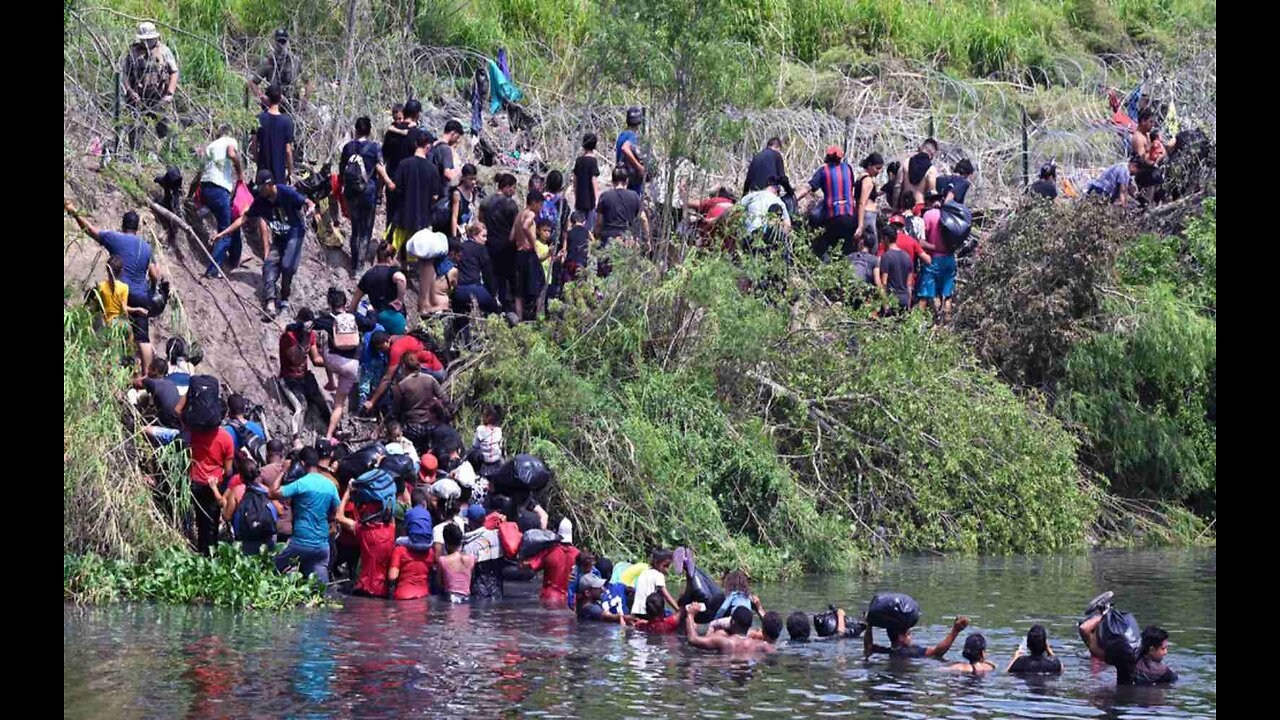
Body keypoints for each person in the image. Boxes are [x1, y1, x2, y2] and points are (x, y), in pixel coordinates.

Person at [65, 202, 162, 372]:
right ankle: (146, 375)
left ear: (122, 225)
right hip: (140, 294)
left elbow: (90, 230)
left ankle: (85, 341)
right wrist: (151, 287)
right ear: (137, 228)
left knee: (93, 303)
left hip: (117, 291)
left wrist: (74, 212)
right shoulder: (146, 247)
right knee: (143, 338)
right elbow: (155, 275)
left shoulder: (115, 238)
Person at [210, 169, 315, 318]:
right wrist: (222, 234)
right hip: (279, 239)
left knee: (287, 266)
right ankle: (270, 303)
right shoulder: (260, 202)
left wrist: (310, 206)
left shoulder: (285, 192)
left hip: (295, 234)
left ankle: (285, 297)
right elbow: (243, 219)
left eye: (261, 187)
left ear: (270, 185)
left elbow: (306, 200)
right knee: (268, 266)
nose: (259, 190)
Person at [269, 447, 341, 584]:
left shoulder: (301, 483)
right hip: (322, 545)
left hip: (300, 543)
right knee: (320, 590)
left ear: (302, 464)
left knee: (273, 568)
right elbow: (336, 512)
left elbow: (272, 493)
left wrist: (283, 471)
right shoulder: (330, 485)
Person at [339, 117, 395, 274]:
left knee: (355, 228)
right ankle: (359, 267)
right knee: (365, 231)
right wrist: (389, 183)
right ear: (369, 131)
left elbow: (342, 170)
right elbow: (380, 168)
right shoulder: (374, 148)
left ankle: (353, 262)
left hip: (351, 193)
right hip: (368, 192)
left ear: (355, 130)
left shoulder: (348, 147)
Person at [196, 125, 246, 278]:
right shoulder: (229, 140)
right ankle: (212, 270)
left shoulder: (211, 146)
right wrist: (240, 173)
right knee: (226, 232)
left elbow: (200, 171)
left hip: (206, 188)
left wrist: (193, 193)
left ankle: (234, 259)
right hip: (219, 189)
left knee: (232, 224)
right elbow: (231, 154)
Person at [313, 288, 362, 442]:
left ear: (330, 304)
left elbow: (311, 324)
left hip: (332, 361)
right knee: (339, 404)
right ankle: (329, 435)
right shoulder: (354, 318)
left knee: (324, 345)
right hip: (352, 365)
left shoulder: (327, 320)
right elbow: (371, 324)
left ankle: (331, 381)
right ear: (345, 304)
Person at [119, 22, 178, 149]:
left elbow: (174, 72)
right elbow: (124, 74)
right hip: (138, 98)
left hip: (159, 97)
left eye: (149, 39)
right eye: (144, 40)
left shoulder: (164, 51)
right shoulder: (132, 52)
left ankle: (170, 154)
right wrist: (130, 91)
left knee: (167, 129)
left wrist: (169, 94)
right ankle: (136, 156)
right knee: (135, 130)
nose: (147, 42)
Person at [335, 482, 397, 597]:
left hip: (364, 587)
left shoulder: (362, 530)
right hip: (383, 590)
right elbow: (391, 512)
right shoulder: (391, 530)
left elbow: (339, 516)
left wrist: (348, 491)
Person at [389, 129, 444, 261]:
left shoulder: (403, 164)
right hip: (422, 219)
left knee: (391, 249)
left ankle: (392, 273)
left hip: (402, 215)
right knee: (416, 255)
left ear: (415, 143)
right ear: (428, 146)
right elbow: (435, 197)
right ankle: (410, 277)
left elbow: (396, 189)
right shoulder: (432, 169)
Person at [1079, 613, 1178, 685]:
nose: (1166, 652)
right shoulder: (1162, 672)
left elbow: (1084, 628)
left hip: (1118, 699)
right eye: (1163, 648)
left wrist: (1105, 616)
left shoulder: (1124, 661)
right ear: (1151, 650)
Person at [795, 146, 857, 260]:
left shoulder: (824, 171)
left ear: (827, 158)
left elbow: (807, 188)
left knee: (824, 246)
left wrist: (793, 199)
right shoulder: (848, 169)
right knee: (846, 249)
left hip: (833, 217)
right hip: (851, 216)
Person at [188, 418, 237, 557]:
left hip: (196, 480)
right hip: (214, 483)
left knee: (200, 517)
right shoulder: (226, 438)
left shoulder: (196, 431)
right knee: (212, 522)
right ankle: (211, 554)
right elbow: (228, 471)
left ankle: (201, 548)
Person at [279, 309, 332, 436]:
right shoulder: (288, 337)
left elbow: (316, 360)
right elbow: (296, 360)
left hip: (305, 376)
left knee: (321, 401)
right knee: (301, 406)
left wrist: (331, 363)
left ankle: (335, 430)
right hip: (289, 378)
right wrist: (302, 338)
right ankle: (297, 438)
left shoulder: (311, 335)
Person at [220, 458, 281, 556]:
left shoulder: (236, 491)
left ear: (240, 475)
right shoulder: (265, 490)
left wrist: (223, 504)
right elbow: (280, 511)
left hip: (246, 539)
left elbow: (227, 516)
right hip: (267, 537)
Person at [479, 173, 521, 307]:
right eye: (513, 188)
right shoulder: (511, 205)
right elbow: (516, 226)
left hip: (490, 244)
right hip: (507, 246)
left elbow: (480, 220)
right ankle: (506, 304)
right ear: (507, 187)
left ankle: (491, 302)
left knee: (493, 276)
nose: (514, 191)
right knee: (507, 277)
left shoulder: (486, 201)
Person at [382, 100, 422, 236]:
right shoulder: (417, 135)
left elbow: (384, 157)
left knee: (391, 217)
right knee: (406, 221)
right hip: (409, 182)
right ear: (417, 114)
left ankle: (386, 249)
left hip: (392, 179)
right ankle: (402, 254)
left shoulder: (391, 132)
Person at [350, 243, 408, 335]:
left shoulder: (369, 274)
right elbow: (401, 279)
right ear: (390, 259)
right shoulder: (392, 271)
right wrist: (399, 300)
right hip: (394, 317)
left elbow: (355, 299)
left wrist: (352, 313)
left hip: (377, 318)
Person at [392, 352, 448, 448]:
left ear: (404, 367)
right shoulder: (430, 379)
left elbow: (396, 411)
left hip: (412, 427)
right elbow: (445, 399)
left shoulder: (401, 386)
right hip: (431, 424)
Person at [916, 193, 956, 322]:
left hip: (934, 261)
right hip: (950, 260)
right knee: (947, 295)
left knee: (924, 295)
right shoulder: (950, 214)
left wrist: (936, 248)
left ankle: (915, 326)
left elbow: (922, 242)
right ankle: (946, 328)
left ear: (929, 202)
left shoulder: (928, 215)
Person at [525, 518, 582, 605]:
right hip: (571, 598)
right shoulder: (578, 554)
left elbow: (529, 565)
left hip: (551, 598)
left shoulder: (550, 552)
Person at [595, 166, 648, 257]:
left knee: (605, 268)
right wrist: (647, 239)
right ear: (627, 181)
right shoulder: (634, 196)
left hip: (607, 239)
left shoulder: (605, 196)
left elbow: (599, 222)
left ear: (612, 181)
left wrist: (596, 237)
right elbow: (643, 219)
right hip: (626, 239)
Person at [249, 28, 306, 112]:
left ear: (287, 42)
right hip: (273, 106)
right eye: (279, 41)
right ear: (274, 41)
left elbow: (309, 83)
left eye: (283, 41)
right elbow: (252, 82)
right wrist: (262, 97)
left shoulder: (295, 61)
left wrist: (304, 102)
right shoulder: (268, 62)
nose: (281, 45)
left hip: (291, 106)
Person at [864, 615, 970, 660]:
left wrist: (869, 625)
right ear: (901, 637)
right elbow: (937, 652)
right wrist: (955, 631)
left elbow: (868, 646)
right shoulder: (912, 652)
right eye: (909, 634)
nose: (911, 636)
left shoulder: (885, 652)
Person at [685, 603, 776, 655]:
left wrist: (690, 615)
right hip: (747, 669)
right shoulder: (760, 645)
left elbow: (693, 639)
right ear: (749, 625)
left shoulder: (723, 641)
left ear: (732, 622)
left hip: (724, 668)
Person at [388, 505, 436, 600]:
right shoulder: (430, 552)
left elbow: (392, 576)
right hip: (423, 597)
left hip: (403, 597)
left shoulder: (400, 550)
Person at [511, 190, 545, 321]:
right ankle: (539, 318)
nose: (540, 208)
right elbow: (525, 227)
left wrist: (520, 242)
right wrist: (533, 243)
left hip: (519, 254)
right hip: (529, 254)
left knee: (519, 291)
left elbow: (512, 237)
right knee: (540, 285)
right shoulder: (530, 214)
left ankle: (519, 319)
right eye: (540, 205)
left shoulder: (519, 215)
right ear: (534, 203)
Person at [251, 85, 295, 186]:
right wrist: (290, 171)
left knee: (261, 199)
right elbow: (288, 150)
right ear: (280, 99)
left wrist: (258, 163)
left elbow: (254, 146)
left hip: (263, 170)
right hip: (279, 172)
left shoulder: (258, 119)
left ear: (267, 99)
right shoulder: (287, 121)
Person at [454, 222, 502, 314]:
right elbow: (487, 273)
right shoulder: (480, 249)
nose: (486, 239)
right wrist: (492, 294)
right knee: (495, 311)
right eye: (483, 236)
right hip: (474, 288)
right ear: (474, 236)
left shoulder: (461, 246)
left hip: (459, 290)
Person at [134, 358, 183, 446]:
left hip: (167, 422)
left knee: (139, 396)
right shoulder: (170, 382)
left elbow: (135, 383)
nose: (147, 370)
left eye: (149, 368)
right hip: (178, 421)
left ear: (155, 371)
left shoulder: (151, 382)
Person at [92, 255, 147, 329]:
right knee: (129, 330)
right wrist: (137, 309)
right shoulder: (124, 287)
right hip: (118, 324)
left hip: (104, 323)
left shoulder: (101, 286)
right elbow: (124, 309)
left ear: (107, 270)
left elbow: (94, 307)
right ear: (121, 271)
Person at [738, 185, 791, 255]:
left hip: (750, 236)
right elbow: (787, 225)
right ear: (776, 192)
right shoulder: (779, 201)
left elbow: (736, 209)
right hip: (770, 241)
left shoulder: (751, 196)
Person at [875, 225, 915, 315]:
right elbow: (909, 283)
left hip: (892, 299)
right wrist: (908, 304)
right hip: (904, 298)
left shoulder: (886, 256)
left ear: (885, 238)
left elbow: (884, 283)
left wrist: (885, 303)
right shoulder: (907, 256)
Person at [630, 549, 679, 615]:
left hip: (636, 611)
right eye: (665, 566)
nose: (666, 569)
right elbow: (667, 596)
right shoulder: (659, 575)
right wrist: (678, 610)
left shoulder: (644, 572)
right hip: (648, 612)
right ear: (656, 563)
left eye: (668, 566)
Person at [899, 139, 940, 213]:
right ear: (932, 154)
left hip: (905, 206)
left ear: (921, 148)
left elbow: (897, 185)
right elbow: (932, 192)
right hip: (920, 207)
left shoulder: (906, 162)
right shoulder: (931, 169)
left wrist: (895, 206)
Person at [853, 153, 884, 250]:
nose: (879, 172)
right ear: (870, 166)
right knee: (872, 245)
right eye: (877, 168)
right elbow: (862, 202)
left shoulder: (861, 178)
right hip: (867, 216)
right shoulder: (867, 180)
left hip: (865, 215)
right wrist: (860, 225)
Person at [572, 133, 602, 231]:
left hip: (580, 197)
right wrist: (597, 198)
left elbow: (575, 180)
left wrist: (576, 194)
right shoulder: (593, 161)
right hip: (590, 200)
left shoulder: (578, 161)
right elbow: (594, 179)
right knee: (589, 227)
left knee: (579, 223)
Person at [616, 106, 647, 195]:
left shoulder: (622, 136)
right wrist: (639, 167)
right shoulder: (632, 136)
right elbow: (625, 148)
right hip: (631, 181)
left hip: (621, 178)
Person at [558, 211, 592, 285]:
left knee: (569, 284)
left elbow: (564, 249)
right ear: (584, 222)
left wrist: (562, 261)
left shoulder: (568, 233)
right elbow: (594, 243)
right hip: (582, 262)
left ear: (571, 222)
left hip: (571, 262)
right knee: (580, 285)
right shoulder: (587, 232)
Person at [471, 404, 505, 475]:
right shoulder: (499, 431)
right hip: (497, 462)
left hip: (484, 463)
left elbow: (475, 446)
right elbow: (500, 446)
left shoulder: (480, 430)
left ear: (487, 417)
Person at [430, 119, 465, 186]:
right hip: (442, 190)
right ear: (453, 133)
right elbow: (448, 174)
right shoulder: (446, 149)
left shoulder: (434, 144)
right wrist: (460, 174)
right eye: (457, 137)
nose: (457, 140)